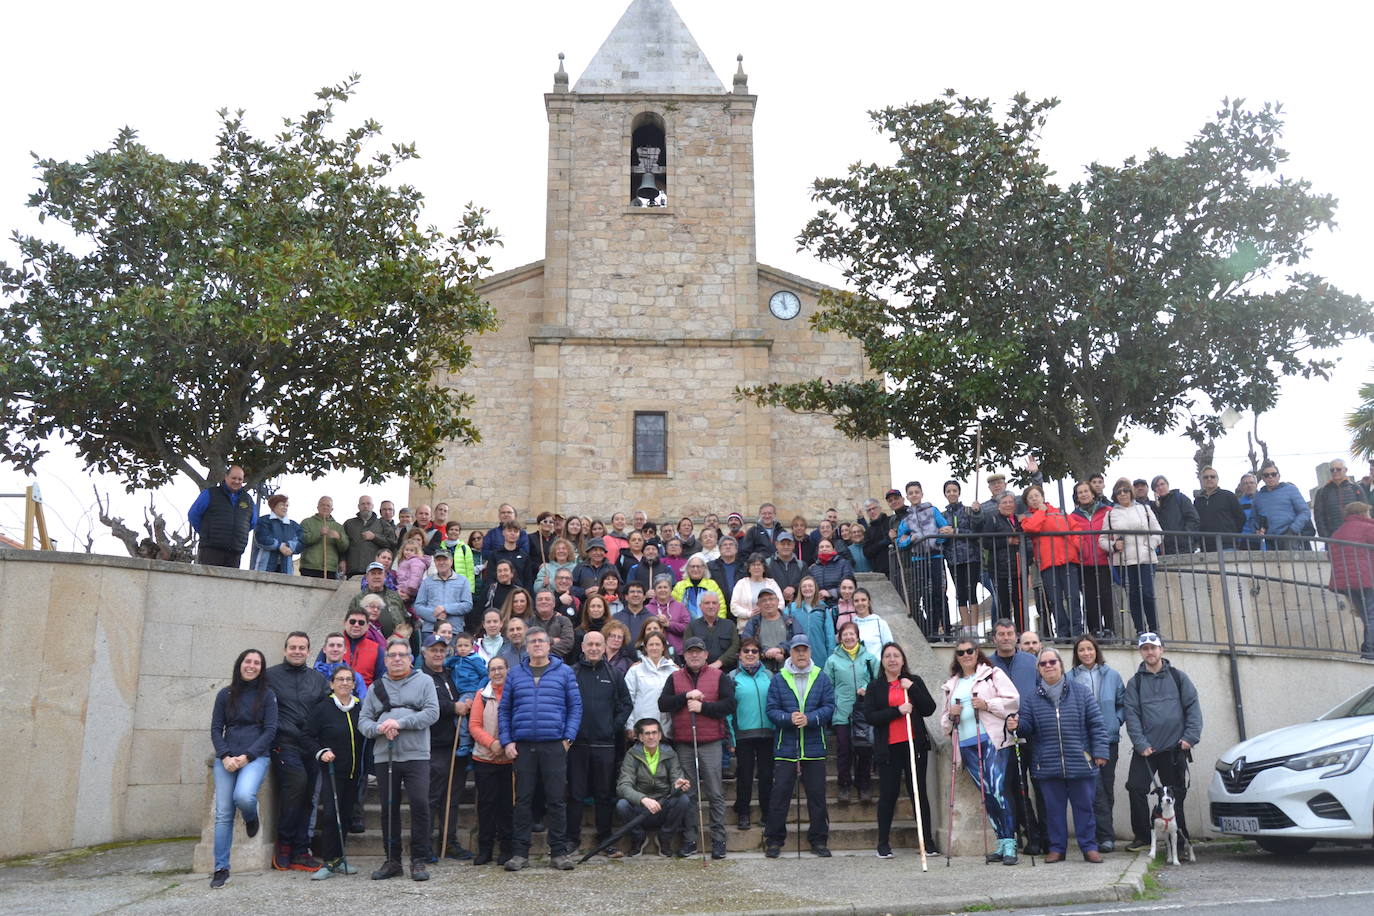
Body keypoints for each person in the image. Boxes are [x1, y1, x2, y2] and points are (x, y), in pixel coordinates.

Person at [1006, 648, 1108, 863]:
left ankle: (1089, 847)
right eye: (1043, 664)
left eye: (1052, 662)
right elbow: (1026, 727)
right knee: (1053, 812)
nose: (1048, 666)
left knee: (1085, 809)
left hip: (1081, 761)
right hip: (1048, 764)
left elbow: (1096, 724)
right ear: (1039, 670)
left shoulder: (1082, 693)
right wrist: (1015, 725)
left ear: (1061, 665)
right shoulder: (1032, 699)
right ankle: (1057, 848)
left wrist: (1099, 752)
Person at [499, 626, 582, 871]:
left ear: (548, 646)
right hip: (523, 746)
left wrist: (568, 738)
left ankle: (558, 853)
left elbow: (575, 708)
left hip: (554, 745)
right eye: (532, 641)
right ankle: (520, 854)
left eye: (540, 641)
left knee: (556, 800)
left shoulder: (564, 672)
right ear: (526, 646)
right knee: (523, 801)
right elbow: (504, 710)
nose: (536, 645)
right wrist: (507, 741)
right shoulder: (515, 674)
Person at [359, 637, 441, 880]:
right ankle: (392, 860)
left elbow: (432, 713)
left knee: (420, 805)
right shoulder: (376, 688)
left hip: (417, 755)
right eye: (392, 655)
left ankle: (419, 860)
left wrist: (401, 723)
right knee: (389, 809)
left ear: (410, 659)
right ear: (385, 660)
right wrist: (381, 728)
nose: (396, 659)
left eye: (401, 655)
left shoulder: (425, 681)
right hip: (386, 756)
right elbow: (364, 721)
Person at [1122, 633, 1203, 857]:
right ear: (1141, 652)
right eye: (1145, 648)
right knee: (1136, 788)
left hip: (1174, 750)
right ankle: (1143, 836)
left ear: (1162, 650)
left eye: (1153, 648)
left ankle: (1179, 843)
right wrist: (1140, 744)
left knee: (1174, 797)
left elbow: (1193, 709)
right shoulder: (1135, 682)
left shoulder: (1178, 677)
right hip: (1146, 750)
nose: (1150, 652)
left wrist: (1190, 737)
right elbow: (1132, 715)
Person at [941, 638, 1021, 865]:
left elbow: (1012, 701)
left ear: (977, 653)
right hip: (966, 745)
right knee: (986, 795)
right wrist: (951, 714)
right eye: (961, 652)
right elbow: (944, 724)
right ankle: (1001, 840)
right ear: (956, 657)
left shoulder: (992, 674)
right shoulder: (951, 684)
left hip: (990, 741)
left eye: (970, 651)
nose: (966, 655)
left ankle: (1010, 843)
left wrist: (987, 705)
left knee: (996, 790)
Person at [658, 636, 737, 858]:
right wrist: (685, 697)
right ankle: (690, 839)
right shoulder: (675, 678)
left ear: (705, 655)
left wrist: (704, 708)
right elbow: (663, 703)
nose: (694, 655)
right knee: (688, 794)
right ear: (684, 655)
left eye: (698, 652)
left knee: (714, 793)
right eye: (690, 652)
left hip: (711, 742)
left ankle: (719, 840)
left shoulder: (718, 676)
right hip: (684, 743)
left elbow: (729, 705)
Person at [208, 649, 277, 888]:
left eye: (257, 662)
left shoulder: (267, 696)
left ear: (261, 668)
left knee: (243, 796)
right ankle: (221, 868)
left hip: (255, 756)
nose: (252, 666)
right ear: (240, 664)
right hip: (227, 758)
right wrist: (226, 756)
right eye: (248, 661)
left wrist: (247, 756)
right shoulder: (224, 694)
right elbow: (216, 729)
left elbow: (270, 731)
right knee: (223, 814)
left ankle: (251, 815)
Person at [763, 635, 836, 857]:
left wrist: (811, 718)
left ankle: (819, 840)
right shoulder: (779, 678)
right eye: (797, 650)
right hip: (786, 745)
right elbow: (771, 710)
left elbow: (829, 707)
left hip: (814, 747)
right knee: (780, 795)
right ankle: (774, 841)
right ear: (791, 654)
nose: (801, 654)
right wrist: (788, 718)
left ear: (810, 652)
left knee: (817, 797)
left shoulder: (821, 677)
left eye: (804, 650)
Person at [865, 641, 938, 859]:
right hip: (889, 748)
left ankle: (927, 842)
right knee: (888, 794)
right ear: (883, 661)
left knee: (919, 793)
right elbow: (870, 717)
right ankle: (883, 843)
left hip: (914, 745)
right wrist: (897, 711)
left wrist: (912, 689)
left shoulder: (913, 681)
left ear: (903, 659)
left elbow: (929, 709)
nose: (892, 660)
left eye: (896, 655)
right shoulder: (875, 687)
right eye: (888, 656)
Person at [265, 632, 329, 872]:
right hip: (285, 743)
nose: (297, 651)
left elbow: (325, 709)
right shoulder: (270, 676)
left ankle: (301, 850)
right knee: (297, 786)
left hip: (311, 745)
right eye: (293, 647)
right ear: (285, 650)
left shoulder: (317, 679)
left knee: (310, 795)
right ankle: (284, 845)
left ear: (308, 651)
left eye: (302, 648)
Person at [568, 630, 633, 856]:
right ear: (583, 647)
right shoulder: (571, 673)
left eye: (598, 644)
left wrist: (613, 727)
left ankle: (605, 839)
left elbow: (626, 704)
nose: (594, 648)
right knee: (575, 794)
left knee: (604, 795)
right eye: (590, 644)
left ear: (605, 647)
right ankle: (572, 839)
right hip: (577, 745)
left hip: (605, 746)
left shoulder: (614, 674)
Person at [986, 618, 1044, 854]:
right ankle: (1029, 836)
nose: (1006, 637)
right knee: (1014, 789)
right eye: (1001, 634)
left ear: (1016, 637)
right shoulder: (987, 665)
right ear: (994, 638)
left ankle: (1047, 837)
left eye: (1010, 633)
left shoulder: (1031, 662)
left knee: (1040, 788)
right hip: (1004, 736)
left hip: (1034, 732)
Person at [302, 664, 363, 880]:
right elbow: (307, 736)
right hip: (331, 771)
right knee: (330, 815)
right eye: (340, 679)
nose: (345, 683)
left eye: (349, 679)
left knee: (345, 815)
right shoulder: (323, 708)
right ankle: (328, 861)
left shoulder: (358, 707)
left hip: (355, 772)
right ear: (332, 683)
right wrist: (321, 751)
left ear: (354, 684)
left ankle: (339, 859)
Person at [1067, 634, 1126, 851]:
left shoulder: (1112, 675)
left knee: (1106, 788)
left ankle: (1105, 834)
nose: (1086, 653)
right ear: (1076, 654)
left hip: (1108, 739)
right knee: (1093, 789)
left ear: (1096, 651)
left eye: (1089, 649)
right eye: (1081, 650)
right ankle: (1100, 836)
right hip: (1083, 743)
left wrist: (1116, 721)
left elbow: (1123, 703)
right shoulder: (1070, 678)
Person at [418, 634, 473, 862]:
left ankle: (448, 841)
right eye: (434, 650)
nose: (438, 654)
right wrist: (453, 707)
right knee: (432, 797)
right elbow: (423, 705)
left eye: (442, 650)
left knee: (452, 797)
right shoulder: (421, 678)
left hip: (455, 745)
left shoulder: (449, 674)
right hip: (435, 745)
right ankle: (425, 845)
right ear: (424, 652)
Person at [616, 718, 695, 856]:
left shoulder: (670, 753)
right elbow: (623, 786)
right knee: (622, 805)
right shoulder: (632, 755)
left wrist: (677, 785)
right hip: (640, 809)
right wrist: (643, 799)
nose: (651, 736)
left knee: (683, 800)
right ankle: (638, 838)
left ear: (660, 735)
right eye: (647, 733)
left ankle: (665, 839)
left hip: (663, 806)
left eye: (654, 732)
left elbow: (676, 778)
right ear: (640, 737)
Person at [823, 621, 879, 805]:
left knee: (864, 749)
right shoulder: (832, 660)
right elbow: (826, 686)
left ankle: (864, 785)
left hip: (864, 712)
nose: (848, 637)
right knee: (844, 750)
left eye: (851, 634)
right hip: (842, 713)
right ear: (840, 637)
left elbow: (878, 682)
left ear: (858, 636)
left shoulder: (870, 659)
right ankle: (844, 785)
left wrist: (866, 689)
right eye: (845, 634)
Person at [1019, 485, 1083, 641]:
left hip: (1069, 560)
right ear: (1027, 502)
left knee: (1073, 597)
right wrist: (1041, 511)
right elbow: (1032, 528)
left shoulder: (1059, 511)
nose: (1034, 499)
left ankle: (1077, 632)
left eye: (1037, 495)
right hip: (1048, 563)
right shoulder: (1027, 517)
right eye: (1031, 497)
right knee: (1055, 600)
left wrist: (1076, 546)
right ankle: (1062, 632)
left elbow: (1075, 529)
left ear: (1042, 496)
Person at [1100, 481, 1163, 634]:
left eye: (1125, 491)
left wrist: (1150, 544)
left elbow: (1158, 532)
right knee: (1133, 596)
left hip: (1146, 558)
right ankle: (1140, 630)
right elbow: (1102, 540)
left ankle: (1154, 629)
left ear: (1131, 492)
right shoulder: (1110, 515)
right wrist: (1114, 546)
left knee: (1147, 594)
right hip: (1124, 561)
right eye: (1119, 492)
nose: (1122, 494)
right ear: (1115, 495)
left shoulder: (1144, 509)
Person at [469, 655, 514, 865]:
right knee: (486, 805)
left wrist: (504, 744)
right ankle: (484, 849)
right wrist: (492, 743)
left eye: (500, 668)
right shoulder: (482, 695)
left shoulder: (515, 694)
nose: (497, 673)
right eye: (493, 669)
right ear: (488, 673)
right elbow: (474, 726)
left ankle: (507, 848)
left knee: (507, 806)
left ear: (507, 670)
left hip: (509, 759)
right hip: (484, 758)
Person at [727, 637, 774, 831]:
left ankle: (767, 811)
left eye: (754, 651)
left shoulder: (769, 676)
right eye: (746, 651)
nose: (750, 654)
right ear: (739, 654)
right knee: (744, 776)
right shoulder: (731, 677)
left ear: (759, 654)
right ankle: (743, 812)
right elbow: (728, 711)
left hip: (768, 734)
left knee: (766, 775)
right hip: (743, 735)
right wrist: (731, 736)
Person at [895, 482, 950, 639]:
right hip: (918, 559)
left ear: (921, 493)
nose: (914, 495)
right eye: (911, 493)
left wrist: (937, 541)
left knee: (940, 592)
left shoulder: (932, 511)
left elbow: (945, 529)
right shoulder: (907, 518)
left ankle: (946, 628)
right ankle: (932, 630)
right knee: (926, 594)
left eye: (916, 492)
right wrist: (909, 540)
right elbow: (900, 540)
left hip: (936, 556)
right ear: (907, 496)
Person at [1068, 482, 1115, 639]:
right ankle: (1095, 630)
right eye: (1080, 492)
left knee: (1106, 596)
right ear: (1076, 496)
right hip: (1084, 563)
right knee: (1089, 598)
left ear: (1093, 493)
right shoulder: (1072, 517)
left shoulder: (1107, 511)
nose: (1083, 494)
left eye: (1086, 491)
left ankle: (1110, 629)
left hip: (1105, 560)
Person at [1329, 501, 1374, 659]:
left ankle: (1367, 650)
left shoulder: (1338, 532)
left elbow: (1331, 555)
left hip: (1347, 582)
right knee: (1372, 616)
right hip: (1367, 579)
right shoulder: (1368, 528)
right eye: (1368, 513)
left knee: (1367, 617)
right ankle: (1369, 653)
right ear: (1362, 514)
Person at [976, 492, 1026, 631]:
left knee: (1020, 603)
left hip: (1018, 568)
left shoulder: (1018, 520)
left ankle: (1021, 633)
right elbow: (986, 542)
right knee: (1003, 604)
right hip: (999, 569)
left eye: (1010, 502)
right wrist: (1007, 541)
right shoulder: (992, 520)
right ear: (998, 506)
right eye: (1005, 502)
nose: (1008, 505)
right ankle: (1006, 633)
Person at [189, 465, 256, 568]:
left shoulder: (248, 499)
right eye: (234, 478)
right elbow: (193, 515)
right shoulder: (210, 494)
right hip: (211, 550)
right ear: (226, 477)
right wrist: (205, 533)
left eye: (240, 479)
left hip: (235, 552)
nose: (237, 481)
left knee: (230, 583)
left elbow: (252, 522)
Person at [941, 481, 982, 640]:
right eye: (949, 491)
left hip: (971, 556)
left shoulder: (967, 511)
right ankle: (966, 628)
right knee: (961, 593)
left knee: (972, 591)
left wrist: (955, 531)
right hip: (953, 559)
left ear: (959, 492)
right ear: (945, 494)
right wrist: (942, 532)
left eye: (954, 490)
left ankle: (974, 628)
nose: (952, 493)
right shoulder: (943, 515)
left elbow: (976, 531)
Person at [624, 631, 678, 740]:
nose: (654, 648)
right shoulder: (635, 670)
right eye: (651, 644)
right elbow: (628, 699)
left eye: (657, 644)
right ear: (645, 648)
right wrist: (630, 725)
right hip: (641, 729)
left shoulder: (674, 671)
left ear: (663, 647)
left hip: (666, 730)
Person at [413, 549, 474, 640]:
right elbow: (418, 606)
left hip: (454, 631)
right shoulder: (427, 582)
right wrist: (436, 616)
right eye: (438, 560)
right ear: (434, 562)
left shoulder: (463, 581)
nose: (441, 562)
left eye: (445, 559)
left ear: (451, 561)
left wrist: (445, 609)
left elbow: (467, 605)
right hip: (430, 631)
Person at [739, 589, 803, 672]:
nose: (768, 603)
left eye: (771, 599)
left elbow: (800, 640)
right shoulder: (753, 622)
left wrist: (781, 649)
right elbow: (746, 643)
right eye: (764, 600)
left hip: (789, 670)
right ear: (758, 605)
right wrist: (765, 652)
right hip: (761, 672)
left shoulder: (790, 621)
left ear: (777, 601)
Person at [1253, 463, 1314, 546]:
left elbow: (1305, 511)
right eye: (1266, 475)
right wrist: (1257, 529)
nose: (1270, 477)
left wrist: (1293, 529)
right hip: (1269, 540)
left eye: (1273, 474)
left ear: (1279, 476)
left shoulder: (1291, 490)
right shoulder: (1258, 497)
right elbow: (1253, 518)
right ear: (1263, 478)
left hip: (1290, 537)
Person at [1193, 467, 1247, 550]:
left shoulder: (1228, 496)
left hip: (1227, 544)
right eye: (1206, 477)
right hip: (1206, 545)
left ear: (1217, 479)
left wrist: (1231, 533)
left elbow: (1240, 517)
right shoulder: (1198, 500)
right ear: (1201, 480)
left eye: (1212, 476)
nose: (1209, 479)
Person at [344, 495, 396, 577]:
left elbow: (391, 544)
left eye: (368, 504)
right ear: (358, 506)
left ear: (372, 506)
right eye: (363, 504)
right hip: (352, 569)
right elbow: (344, 545)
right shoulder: (349, 524)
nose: (365, 506)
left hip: (375, 570)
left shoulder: (383, 524)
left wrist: (375, 537)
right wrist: (342, 560)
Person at [1315, 459, 1369, 538]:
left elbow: (1365, 512)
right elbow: (1319, 518)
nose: (1335, 471)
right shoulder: (1322, 492)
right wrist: (1326, 537)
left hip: (1355, 536)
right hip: (1333, 537)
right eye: (1332, 470)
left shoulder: (1356, 488)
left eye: (1338, 469)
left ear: (1345, 470)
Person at [685, 592, 739, 670]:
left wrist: (720, 662)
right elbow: (687, 649)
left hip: (726, 671)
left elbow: (735, 647)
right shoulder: (692, 626)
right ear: (700, 606)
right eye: (707, 603)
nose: (711, 606)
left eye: (714, 603)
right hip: (699, 672)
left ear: (719, 606)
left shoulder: (730, 625)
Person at [300, 496, 349, 579]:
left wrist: (339, 538)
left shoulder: (338, 527)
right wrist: (319, 534)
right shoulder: (307, 522)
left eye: (328, 506)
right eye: (323, 505)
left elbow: (344, 547)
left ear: (332, 509)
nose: (325, 507)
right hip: (309, 566)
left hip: (330, 568)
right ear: (317, 507)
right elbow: (302, 539)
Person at [788, 575, 835, 661]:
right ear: (800, 589)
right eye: (804, 586)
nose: (807, 588)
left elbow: (830, 636)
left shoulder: (823, 609)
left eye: (810, 586)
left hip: (819, 655)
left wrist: (830, 657)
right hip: (798, 655)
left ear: (815, 588)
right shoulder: (791, 608)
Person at [1150, 475, 1200, 555]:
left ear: (1167, 485)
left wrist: (1185, 535)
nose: (1160, 487)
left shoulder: (1180, 498)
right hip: (1165, 548)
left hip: (1184, 546)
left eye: (1162, 484)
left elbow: (1193, 518)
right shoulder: (1155, 506)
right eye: (1157, 486)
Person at [252, 493, 301, 574]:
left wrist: (289, 546)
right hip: (264, 566)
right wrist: (279, 546)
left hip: (286, 568)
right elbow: (261, 539)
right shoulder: (263, 521)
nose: (285, 508)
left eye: (287, 505)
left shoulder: (294, 525)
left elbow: (300, 543)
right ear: (273, 506)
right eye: (282, 505)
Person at [730, 553, 785, 621]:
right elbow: (734, 606)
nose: (756, 567)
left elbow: (781, 604)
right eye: (753, 565)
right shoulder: (741, 584)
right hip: (746, 626)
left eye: (759, 565)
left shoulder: (772, 583)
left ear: (764, 568)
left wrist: (769, 612)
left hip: (770, 624)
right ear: (749, 569)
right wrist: (748, 614)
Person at [646, 573, 690, 653]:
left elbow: (688, 628)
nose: (663, 590)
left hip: (677, 652)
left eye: (665, 587)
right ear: (654, 590)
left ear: (671, 589)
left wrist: (669, 624)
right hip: (653, 652)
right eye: (659, 587)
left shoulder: (680, 607)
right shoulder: (647, 609)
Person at [808, 537, 856, 604]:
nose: (824, 549)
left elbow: (850, 586)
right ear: (818, 551)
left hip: (840, 604)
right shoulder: (813, 568)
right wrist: (816, 595)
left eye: (827, 546)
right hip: (818, 605)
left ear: (834, 549)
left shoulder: (844, 564)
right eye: (821, 547)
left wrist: (830, 593)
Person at [851, 587, 894, 659]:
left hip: (877, 668)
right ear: (853, 604)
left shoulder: (880, 623)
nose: (860, 603)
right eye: (856, 601)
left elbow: (889, 649)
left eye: (863, 600)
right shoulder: (851, 625)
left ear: (869, 602)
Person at [765, 531, 806, 602]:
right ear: (776, 545)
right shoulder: (767, 563)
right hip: (773, 605)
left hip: (796, 606)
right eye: (783, 544)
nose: (786, 547)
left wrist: (794, 589)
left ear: (793, 545)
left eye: (789, 544)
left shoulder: (801, 565)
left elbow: (806, 582)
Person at [708, 536, 744, 615]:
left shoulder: (744, 567)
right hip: (718, 608)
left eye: (731, 544)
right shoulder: (710, 567)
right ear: (719, 549)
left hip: (740, 608)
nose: (728, 547)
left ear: (736, 549)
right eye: (724, 545)